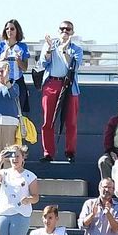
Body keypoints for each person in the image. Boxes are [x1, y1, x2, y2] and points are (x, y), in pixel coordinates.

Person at [36, 19, 84, 161]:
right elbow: (43, 63)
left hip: (69, 86)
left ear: (72, 32)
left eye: (68, 29)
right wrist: (49, 49)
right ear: (58, 30)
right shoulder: (50, 44)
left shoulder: (76, 49)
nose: (64, 31)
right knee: (48, 121)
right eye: (62, 29)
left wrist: (64, 50)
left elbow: (75, 66)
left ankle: (70, 152)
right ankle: (48, 153)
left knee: (71, 121)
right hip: (51, 83)